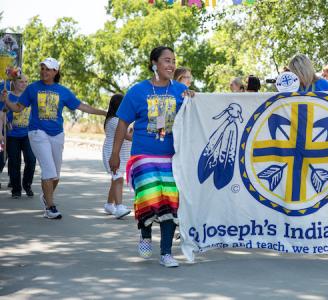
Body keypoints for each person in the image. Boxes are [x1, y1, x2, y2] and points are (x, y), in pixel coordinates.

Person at [109, 46, 192, 268]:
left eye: (174, 60)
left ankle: (166, 253)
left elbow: (195, 117)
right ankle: (145, 233)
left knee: (171, 202)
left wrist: (193, 99)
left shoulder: (180, 92)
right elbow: (123, 123)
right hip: (143, 155)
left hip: (171, 157)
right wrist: (115, 153)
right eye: (166, 60)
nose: (171, 65)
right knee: (150, 197)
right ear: (154, 63)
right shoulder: (137, 91)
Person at [0, 57, 107, 219]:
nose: (44, 71)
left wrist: (105, 113)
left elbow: (82, 106)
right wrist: (6, 100)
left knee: (55, 175)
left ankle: (46, 196)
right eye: (42, 68)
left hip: (57, 134)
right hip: (37, 132)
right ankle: (50, 207)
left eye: (48, 69)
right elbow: (17, 108)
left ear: (55, 71)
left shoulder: (63, 91)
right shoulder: (32, 89)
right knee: (48, 171)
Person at [5, 74, 36, 198]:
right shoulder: (8, 96)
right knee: (14, 162)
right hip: (12, 135)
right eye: (21, 81)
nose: (24, 84)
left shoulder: (30, 97)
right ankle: (16, 190)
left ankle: (27, 184)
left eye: (26, 81)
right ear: (15, 83)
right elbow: (2, 114)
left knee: (31, 160)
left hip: (28, 134)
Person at [102, 94, 132, 219]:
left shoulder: (116, 120)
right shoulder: (115, 121)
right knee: (118, 178)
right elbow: (128, 136)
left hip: (122, 152)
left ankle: (109, 204)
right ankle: (119, 207)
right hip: (114, 153)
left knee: (115, 179)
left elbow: (127, 134)